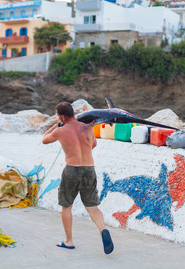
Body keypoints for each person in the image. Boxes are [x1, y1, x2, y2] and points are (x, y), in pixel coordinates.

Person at [42, 101, 114, 255]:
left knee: (66, 206)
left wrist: (57, 125)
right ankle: (103, 229)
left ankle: (69, 241)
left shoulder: (60, 130)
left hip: (72, 171)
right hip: (89, 169)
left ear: (62, 116)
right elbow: (93, 144)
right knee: (92, 206)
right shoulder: (87, 127)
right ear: (73, 113)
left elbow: (44, 139)